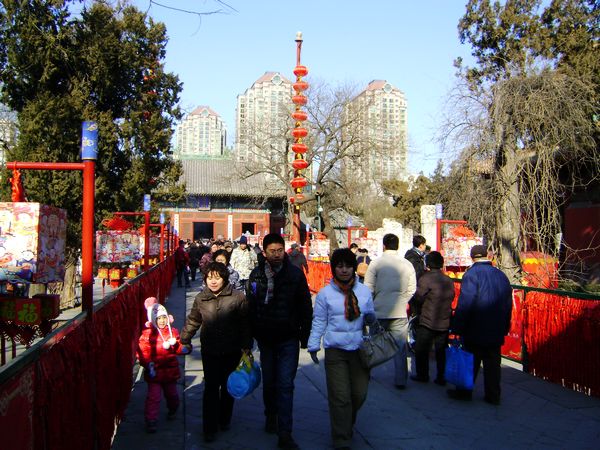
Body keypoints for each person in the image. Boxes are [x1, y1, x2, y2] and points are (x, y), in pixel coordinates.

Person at [246, 233, 313, 450]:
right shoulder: (256, 276)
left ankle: (285, 432)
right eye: (271, 251)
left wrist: (305, 335)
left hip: (288, 337)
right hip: (266, 337)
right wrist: (249, 338)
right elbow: (251, 307)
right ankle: (270, 413)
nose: (276, 255)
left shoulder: (294, 274)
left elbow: (305, 306)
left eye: (279, 250)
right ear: (264, 252)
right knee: (270, 382)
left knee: (286, 384)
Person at [307, 248, 376, 450]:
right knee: (340, 397)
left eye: (348, 266)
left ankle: (347, 423)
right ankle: (341, 438)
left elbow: (371, 315)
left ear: (354, 268)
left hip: (359, 349)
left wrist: (371, 318)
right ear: (333, 268)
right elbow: (319, 320)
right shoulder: (325, 294)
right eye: (340, 266)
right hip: (335, 350)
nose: (344, 270)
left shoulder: (363, 291)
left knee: (358, 395)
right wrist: (313, 343)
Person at [180, 262, 252, 442]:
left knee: (228, 387)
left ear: (225, 278)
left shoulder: (238, 297)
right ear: (205, 278)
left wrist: (246, 345)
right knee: (211, 388)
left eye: (217, 277)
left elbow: (245, 323)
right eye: (210, 277)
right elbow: (194, 320)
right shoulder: (201, 298)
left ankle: (225, 419)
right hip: (210, 349)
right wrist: (185, 338)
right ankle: (209, 427)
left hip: (231, 348)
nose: (213, 281)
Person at [447, 244, 513, 405]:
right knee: (493, 364)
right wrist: (505, 325)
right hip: (496, 327)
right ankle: (493, 395)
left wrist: (457, 327)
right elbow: (507, 303)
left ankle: (464, 392)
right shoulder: (501, 275)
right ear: (487, 256)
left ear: (472, 257)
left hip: (475, 327)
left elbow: (466, 303)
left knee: (471, 361)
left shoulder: (471, 275)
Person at [363, 233, 416, 389]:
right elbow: (412, 289)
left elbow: (368, 288)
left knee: (372, 343)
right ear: (398, 246)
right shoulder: (407, 265)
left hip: (378, 311)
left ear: (384, 245)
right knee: (400, 347)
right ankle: (400, 380)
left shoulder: (376, 264)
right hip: (399, 313)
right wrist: (402, 300)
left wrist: (372, 304)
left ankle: (367, 373)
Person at [137, 297, 189, 433]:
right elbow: (143, 352)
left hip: (170, 371)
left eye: (164, 318)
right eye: (159, 318)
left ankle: (173, 408)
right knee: (154, 397)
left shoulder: (173, 333)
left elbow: (177, 346)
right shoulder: (147, 335)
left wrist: (182, 348)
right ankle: (151, 420)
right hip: (155, 371)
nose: (162, 321)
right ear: (153, 320)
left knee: (172, 394)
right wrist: (148, 364)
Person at [409, 251, 455, 385]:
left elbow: (418, 297)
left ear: (428, 264)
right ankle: (441, 377)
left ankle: (422, 374)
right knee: (441, 350)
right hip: (444, 319)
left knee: (422, 348)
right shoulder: (448, 280)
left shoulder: (426, 278)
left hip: (428, 319)